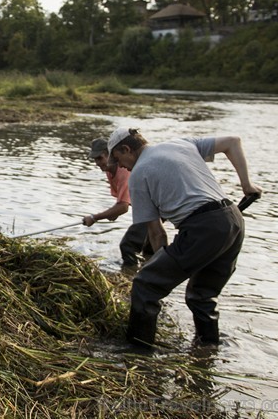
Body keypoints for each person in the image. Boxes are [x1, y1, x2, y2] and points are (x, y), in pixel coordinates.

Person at [107, 127, 262, 348]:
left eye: (118, 159)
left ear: (126, 149)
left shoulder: (139, 174)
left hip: (202, 228)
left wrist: (157, 270)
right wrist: (246, 184)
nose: (120, 166)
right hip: (233, 220)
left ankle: (138, 353)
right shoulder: (182, 143)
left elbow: (156, 233)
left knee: (144, 286)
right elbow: (233, 142)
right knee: (201, 297)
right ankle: (207, 350)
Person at [82, 138, 153, 266]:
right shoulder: (110, 171)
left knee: (128, 245)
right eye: (95, 159)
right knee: (149, 247)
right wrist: (112, 213)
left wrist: (94, 217)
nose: (97, 163)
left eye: (99, 158)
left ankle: (132, 276)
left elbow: (123, 207)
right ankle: (141, 271)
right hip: (148, 206)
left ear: (110, 155)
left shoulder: (123, 170)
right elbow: (124, 200)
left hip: (155, 205)